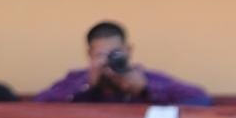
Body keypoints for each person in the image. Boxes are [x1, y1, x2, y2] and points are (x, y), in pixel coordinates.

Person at [34, 21, 211, 105]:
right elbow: (39, 105)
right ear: (89, 54)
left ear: (128, 51)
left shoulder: (147, 78)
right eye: (101, 55)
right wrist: (87, 85)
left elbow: (200, 100)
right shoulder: (77, 80)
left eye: (115, 54)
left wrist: (145, 88)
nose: (108, 62)